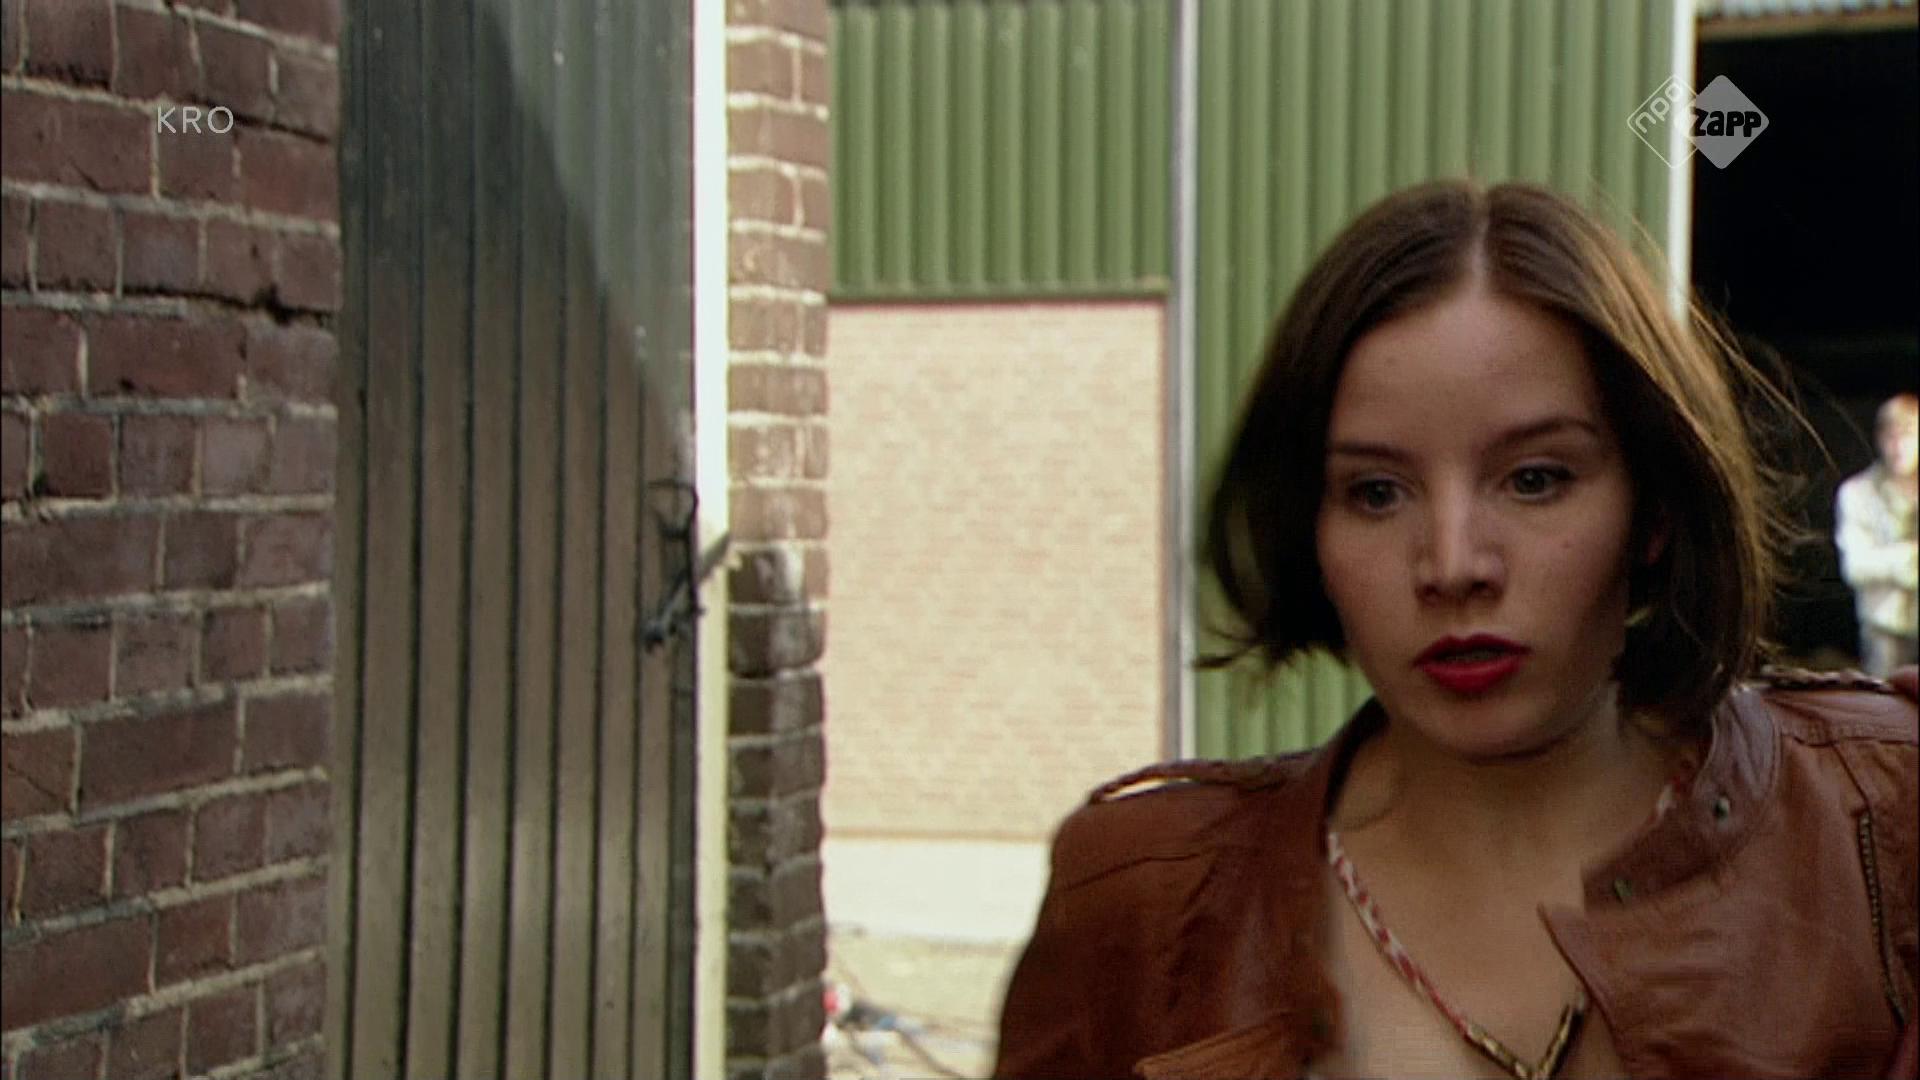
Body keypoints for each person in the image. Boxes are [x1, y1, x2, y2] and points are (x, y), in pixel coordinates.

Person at [993, 181, 1918, 1079]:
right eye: (1375, 492)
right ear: (1306, 529)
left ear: (1654, 511)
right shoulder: (1142, 902)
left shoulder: (1879, 820)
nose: (1452, 563)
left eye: (1535, 479)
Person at [1836, 393, 1919, 676]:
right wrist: (1908, 559)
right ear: (1880, 439)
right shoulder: (1857, 493)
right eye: (1891, 436)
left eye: (1908, 435)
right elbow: (1855, 566)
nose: (1899, 446)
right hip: (1885, 629)